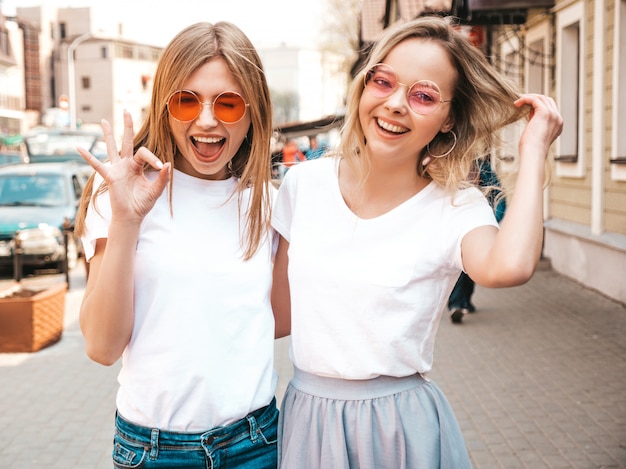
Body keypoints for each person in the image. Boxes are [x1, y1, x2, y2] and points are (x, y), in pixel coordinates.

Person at [271, 15, 562, 469]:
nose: (395, 104)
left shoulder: (455, 207)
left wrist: (533, 149)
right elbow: (275, 316)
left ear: (448, 119)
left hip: (398, 431)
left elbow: (510, 267)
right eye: (383, 82)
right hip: (308, 421)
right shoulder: (302, 185)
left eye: (424, 95)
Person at [73, 22, 279, 468]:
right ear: (165, 107)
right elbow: (102, 348)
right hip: (153, 450)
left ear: (253, 112)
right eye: (186, 101)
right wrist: (128, 221)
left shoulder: (268, 202)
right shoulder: (123, 190)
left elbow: (277, 320)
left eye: (228, 102)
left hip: (255, 442)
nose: (206, 120)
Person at [449, 157, 507, 323]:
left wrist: (492, 223)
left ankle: (464, 302)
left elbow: (499, 196)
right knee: (461, 269)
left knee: (470, 271)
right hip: (457, 227)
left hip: (480, 227)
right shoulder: (447, 165)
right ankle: (456, 304)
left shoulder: (483, 168)